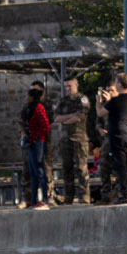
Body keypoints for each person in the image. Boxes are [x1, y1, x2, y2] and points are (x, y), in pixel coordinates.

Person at [51, 77, 91, 205]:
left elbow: (79, 117)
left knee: (81, 168)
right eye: (66, 86)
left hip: (79, 138)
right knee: (66, 169)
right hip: (65, 139)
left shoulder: (82, 99)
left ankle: (85, 197)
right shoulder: (63, 101)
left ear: (76, 85)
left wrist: (66, 119)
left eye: (70, 86)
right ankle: (69, 196)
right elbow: (56, 118)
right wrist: (70, 116)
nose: (67, 89)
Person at [19, 82, 53, 208]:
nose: (26, 98)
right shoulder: (29, 108)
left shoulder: (39, 107)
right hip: (32, 142)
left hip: (38, 142)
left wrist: (34, 137)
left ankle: (45, 198)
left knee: (40, 170)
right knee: (33, 172)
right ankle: (33, 200)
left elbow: (45, 126)